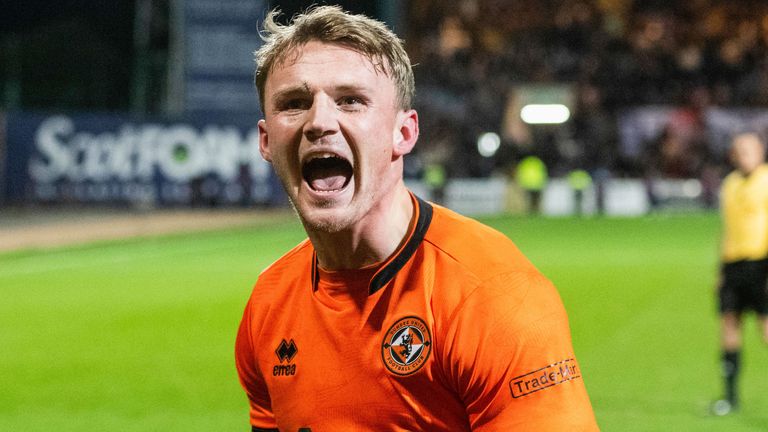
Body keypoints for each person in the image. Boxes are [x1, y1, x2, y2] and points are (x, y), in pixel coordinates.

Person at [235, 6, 599, 431]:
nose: (319, 122)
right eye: (294, 104)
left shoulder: (492, 295)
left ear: (404, 133)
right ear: (266, 140)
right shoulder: (268, 304)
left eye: (350, 101)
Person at [711, 132, 768, 416]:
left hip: (761, 264)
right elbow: (727, 229)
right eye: (740, 151)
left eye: (750, 150)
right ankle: (730, 398)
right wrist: (720, 271)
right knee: (729, 329)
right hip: (733, 267)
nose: (745, 155)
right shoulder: (730, 184)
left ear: (760, 152)